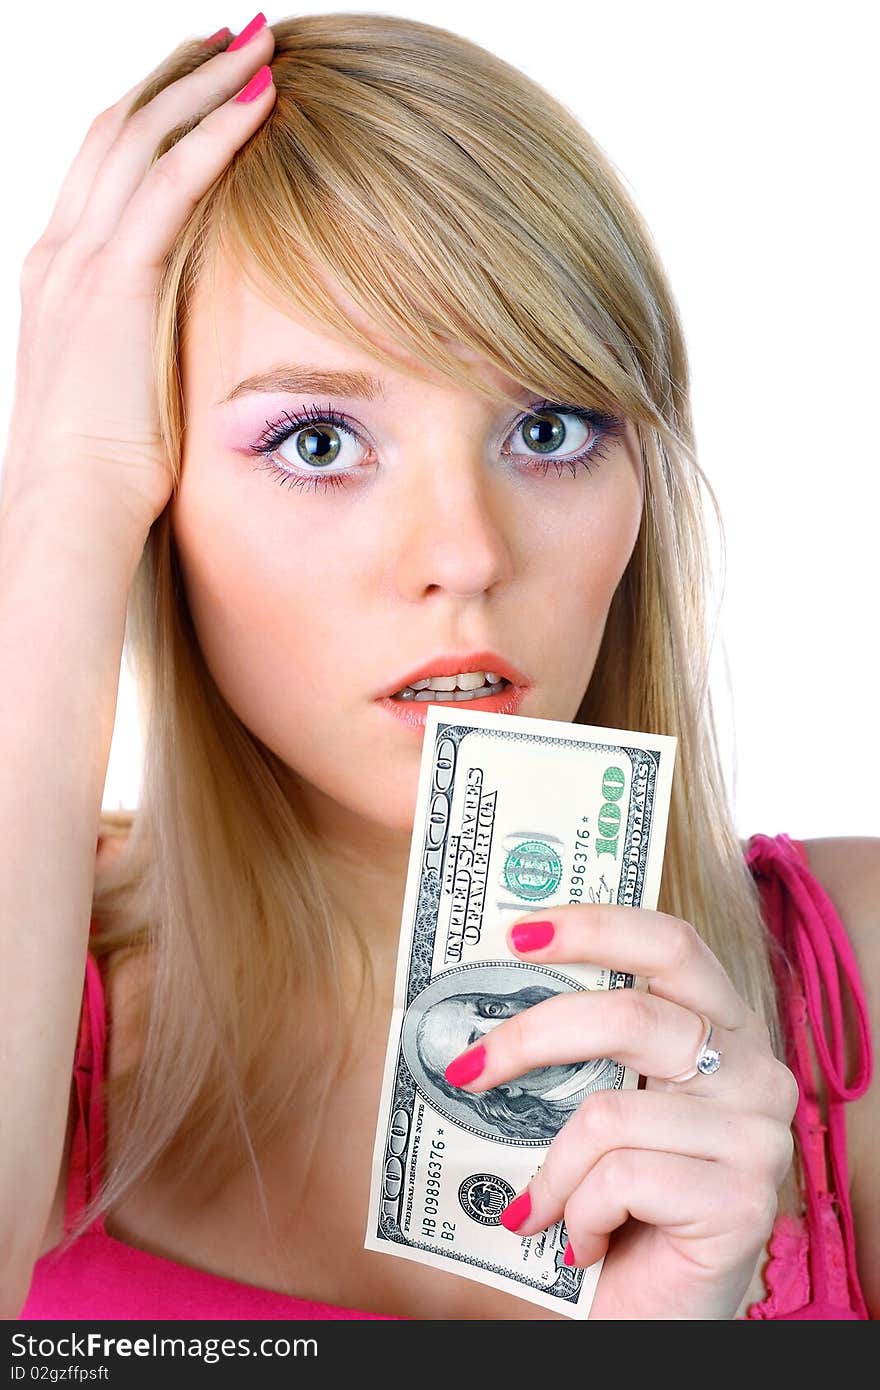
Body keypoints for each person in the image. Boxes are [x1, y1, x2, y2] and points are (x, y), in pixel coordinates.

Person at [1, 11, 876, 1322]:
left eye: (547, 426)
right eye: (314, 441)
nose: (465, 554)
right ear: (158, 490)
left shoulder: (853, 994)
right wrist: (63, 499)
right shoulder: (40, 987)